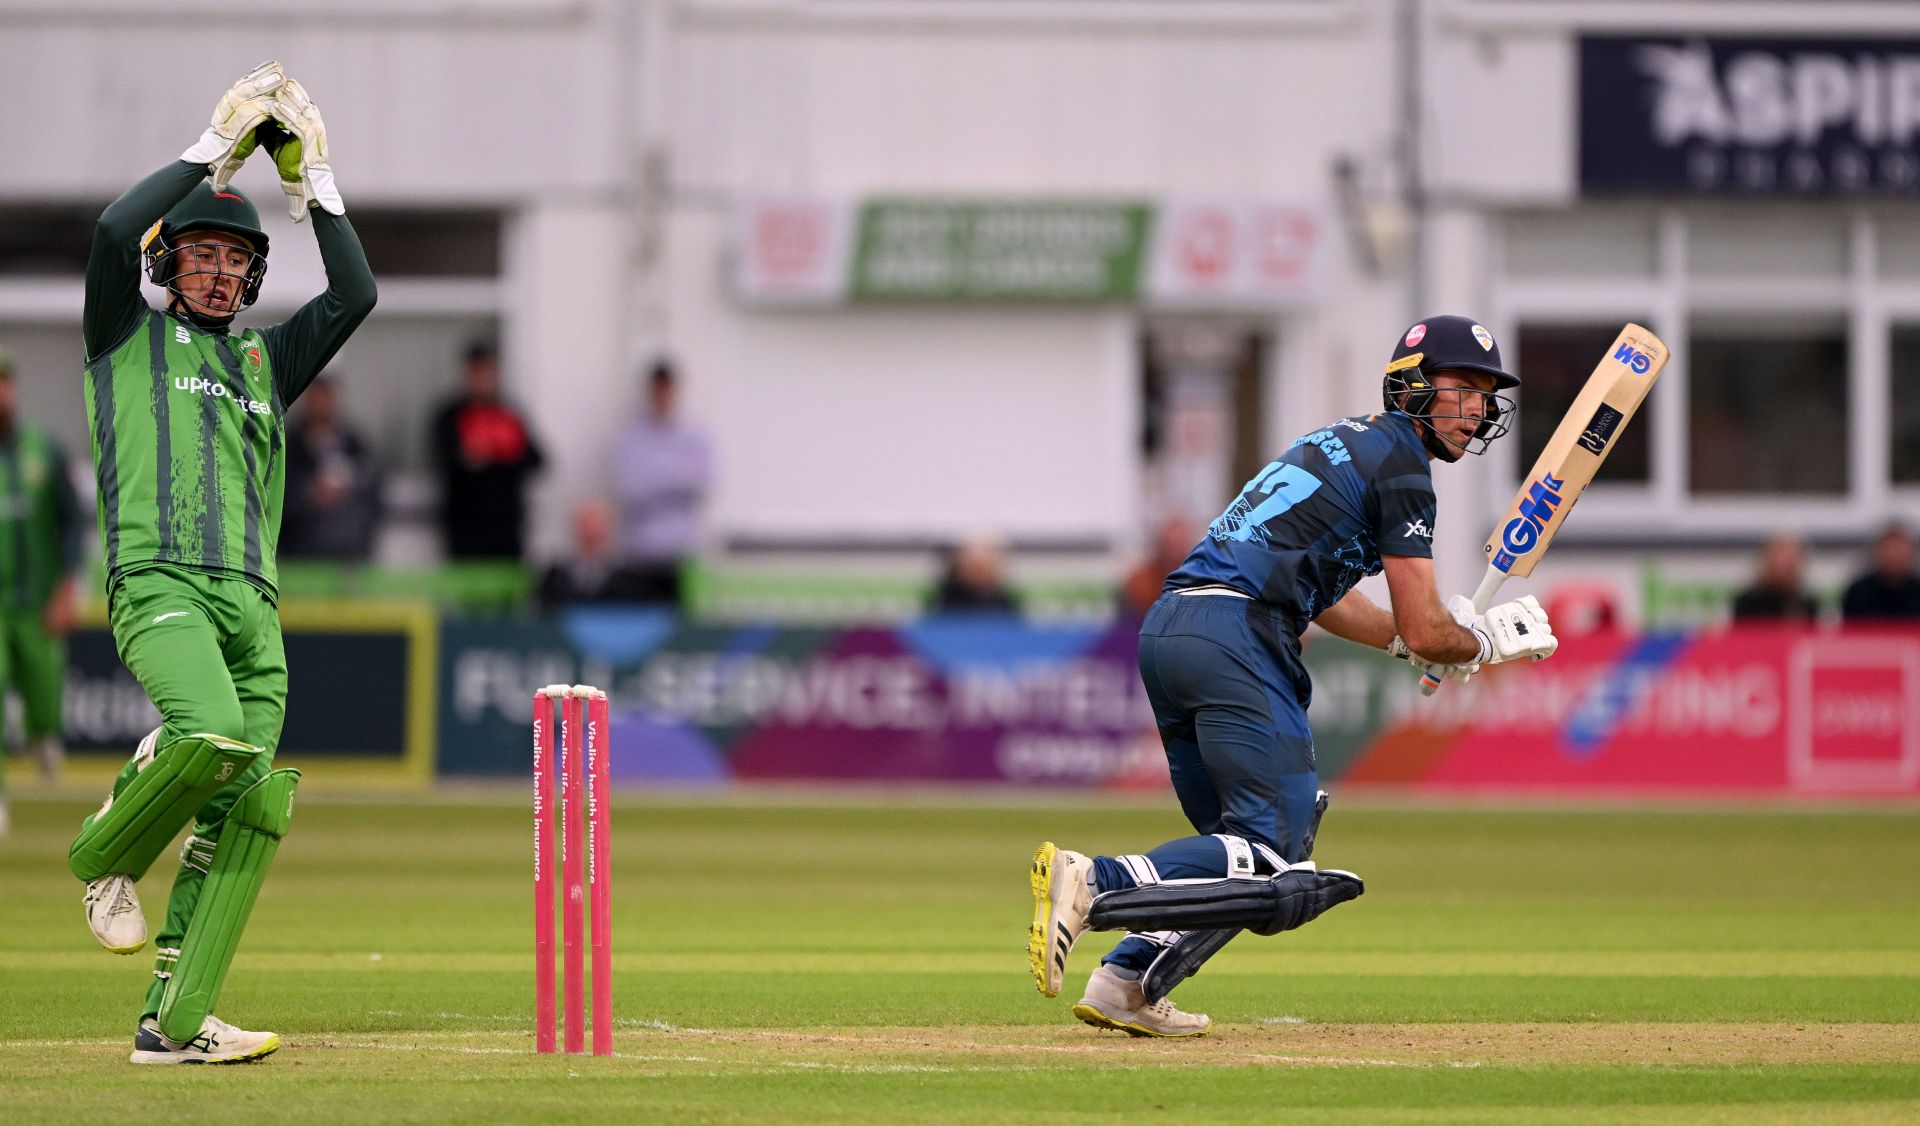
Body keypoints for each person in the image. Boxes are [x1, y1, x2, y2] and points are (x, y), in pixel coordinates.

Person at [1026, 315, 1560, 1036]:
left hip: (1173, 628)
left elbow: (1334, 594)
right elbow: (1431, 624)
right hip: (1237, 637)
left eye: (1485, 394)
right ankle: (1096, 880)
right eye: (1461, 388)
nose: (1477, 408)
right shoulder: (1405, 464)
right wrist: (1479, 643)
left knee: (1238, 855)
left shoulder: (1338, 440)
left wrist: (1417, 645)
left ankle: (1127, 980)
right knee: (1274, 856)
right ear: (1412, 388)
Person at [67, 62, 375, 1064]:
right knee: (206, 734)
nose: (215, 271)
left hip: (254, 604)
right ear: (169, 267)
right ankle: (101, 855)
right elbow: (116, 232)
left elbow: (358, 291)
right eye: (197, 254)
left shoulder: (262, 364)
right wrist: (216, 146)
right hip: (160, 581)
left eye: (233, 260)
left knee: (252, 805)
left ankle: (177, 1021)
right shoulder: (123, 333)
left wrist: (314, 183)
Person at [0, 350, 85, 837]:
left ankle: (43, 736)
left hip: (35, 602)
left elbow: (71, 526)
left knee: (45, 695)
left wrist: (68, 587)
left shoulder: (43, 451)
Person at [431, 340, 545, 560]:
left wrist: (497, 457)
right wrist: (467, 460)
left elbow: (537, 460)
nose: (483, 379)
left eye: (488, 371)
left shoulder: (509, 415)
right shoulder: (450, 416)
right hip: (465, 527)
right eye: (477, 372)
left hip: (506, 527)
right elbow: (444, 458)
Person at [612, 358, 711, 605]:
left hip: (682, 554)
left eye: (667, 390)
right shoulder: (630, 437)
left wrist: (655, 481)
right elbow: (630, 489)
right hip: (640, 553)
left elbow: (700, 484)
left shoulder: (696, 436)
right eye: (657, 390)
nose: (662, 396)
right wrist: (675, 480)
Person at [281, 375, 382, 560]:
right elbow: (275, 491)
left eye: (324, 397)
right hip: (298, 552)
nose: (319, 404)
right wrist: (309, 492)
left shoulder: (353, 443)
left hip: (348, 553)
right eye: (314, 398)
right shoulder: (287, 443)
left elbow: (373, 486)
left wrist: (346, 489)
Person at [537, 498, 648, 611]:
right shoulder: (556, 578)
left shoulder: (627, 582)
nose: (591, 535)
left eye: (596, 535)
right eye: (587, 532)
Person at [1119, 516, 1200, 619]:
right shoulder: (1140, 582)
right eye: (1169, 545)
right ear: (1159, 545)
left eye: (1179, 547)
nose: (1174, 555)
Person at [1731, 533, 1818, 623]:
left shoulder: (1806, 604)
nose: (1782, 564)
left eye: (1788, 561)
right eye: (1776, 559)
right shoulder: (1747, 603)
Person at [1841, 523, 1920, 622]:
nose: (1894, 555)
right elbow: (1850, 631)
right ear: (1877, 552)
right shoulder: (1858, 591)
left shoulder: (1917, 590)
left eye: (1899, 550)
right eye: (1889, 549)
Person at [932, 536, 1019, 614]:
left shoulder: (1003, 602)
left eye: (984, 567)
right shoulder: (950, 600)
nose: (979, 574)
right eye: (974, 567)